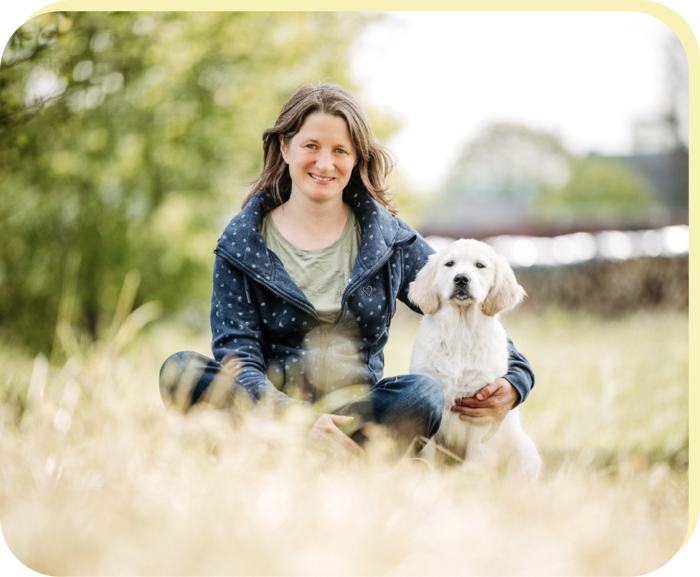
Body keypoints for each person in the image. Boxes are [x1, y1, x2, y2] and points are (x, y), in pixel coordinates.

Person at [159, 82, 534, 459]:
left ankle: (322, 455)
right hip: (272, 414)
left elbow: (463, 296)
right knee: (179, 370)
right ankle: (311, 453)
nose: (325, 164)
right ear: (285, 147)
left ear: (356, 159)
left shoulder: (387, 237)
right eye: (311, 146)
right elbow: (237, 359)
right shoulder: (241, 244)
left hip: (360, 416)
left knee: (422, 394)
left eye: (340, 150)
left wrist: (516, 379)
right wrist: (299, 420)